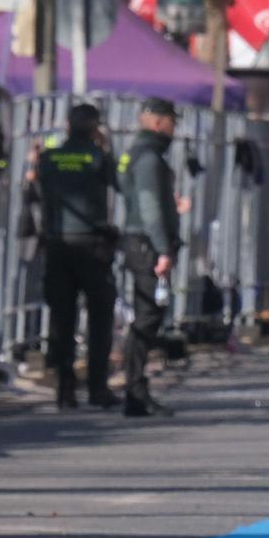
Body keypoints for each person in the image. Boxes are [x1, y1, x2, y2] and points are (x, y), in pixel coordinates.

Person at [35, 102, 120, 410]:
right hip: (91, 245)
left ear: (67, 126)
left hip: (57, 244)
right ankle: (97, 388)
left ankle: (65, 389)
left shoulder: (49, 157)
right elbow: (118, 185)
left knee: (62, 318)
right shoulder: (99, 157)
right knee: (99, 317)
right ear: (95, 128)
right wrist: (106, 147)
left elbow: (38, 188)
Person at [118, 97, 189, 418]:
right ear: (159, 122)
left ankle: (135, 389)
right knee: (148, 315)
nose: (174, 127)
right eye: (172, 120)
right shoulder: (148, 158)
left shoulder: (136, 153)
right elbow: (148, 206)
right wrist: (162, 249)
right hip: (146, 244)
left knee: (148, 315)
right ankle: (134, 390)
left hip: (141, 241)